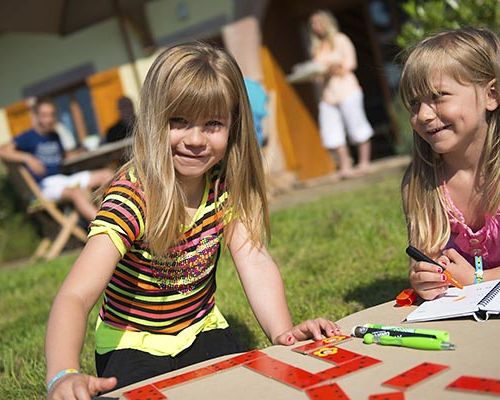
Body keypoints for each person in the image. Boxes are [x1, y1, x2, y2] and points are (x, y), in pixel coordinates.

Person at [45, 42, 341, 399]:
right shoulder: (132, 198)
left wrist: (284, 333)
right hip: (131, 344)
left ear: (234, 126)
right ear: (154, 119)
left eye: (213, 124)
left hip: (201, 329)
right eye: (179, 121)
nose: (195, 140)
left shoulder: (223, 185)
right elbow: (75, 295)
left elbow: (255, 260)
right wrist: (62, 374)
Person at [400, 27, 500, 300]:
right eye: (414, 104)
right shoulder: (421, 184)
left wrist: (478, 279)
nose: (424, 115)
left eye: (437, 96)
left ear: (491, 95)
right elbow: (424, 259)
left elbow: (470, 280)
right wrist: (425, 279)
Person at [0, 98, 113, 221]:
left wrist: (81, 151)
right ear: (37, 116)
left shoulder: (54, 135)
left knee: (107, 175)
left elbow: (63, 156)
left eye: (52, 115)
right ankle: (105, 227)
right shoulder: (28, 137)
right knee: (77, 192)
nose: (49, 119)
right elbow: (2, 151)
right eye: (44, 115)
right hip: (45, 186)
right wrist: (27, 158)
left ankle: (113, 215)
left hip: (64, 180)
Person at [308, 10, 374, 178]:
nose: (315, 27)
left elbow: (351, 64)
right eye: (313, 24)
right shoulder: (316, 47)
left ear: (327, 23)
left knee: (357, 125)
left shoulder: (341, 40)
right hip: (327, 95)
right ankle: (345, 166)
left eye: (317, 22)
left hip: (347, 90)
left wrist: (333, 67)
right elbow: (316, 74)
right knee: (331, 131)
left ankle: (364, 163)